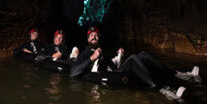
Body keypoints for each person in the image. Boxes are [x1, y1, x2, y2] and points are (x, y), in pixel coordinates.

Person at [70, 27, 200, 99]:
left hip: (114, 73)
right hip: (108, 76)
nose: (94, 37)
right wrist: (91, 58)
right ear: (87, 39)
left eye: (96, 35)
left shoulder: (102, 51)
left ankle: (178, 74)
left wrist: (119, 56)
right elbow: (73, 73)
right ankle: (163, 89)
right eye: (91, 35)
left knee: (142, 54)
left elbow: (113, 67)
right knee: (133, 58)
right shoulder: (85, 53)